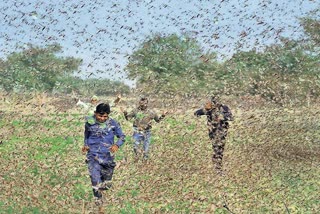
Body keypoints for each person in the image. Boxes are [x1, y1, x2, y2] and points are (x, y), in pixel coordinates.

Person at [82, 103, 126, 206]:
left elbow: (122, 136)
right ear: (95, 113)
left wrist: (117, 145)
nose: (102, 118)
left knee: (106, 184)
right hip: (93, 155)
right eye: (100, 116)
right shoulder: (89, 122)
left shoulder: (113, 123)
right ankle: (98, 200)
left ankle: (103, 188)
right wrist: (85, 145)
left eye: (105, 116)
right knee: (94, 178)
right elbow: (86, 135)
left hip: (107, 156)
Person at [194, 96, 234, 173]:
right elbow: (196, 113)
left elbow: (230, 118)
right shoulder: (209, 109)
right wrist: (205, 109)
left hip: (222, 132)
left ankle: (218, 167)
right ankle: (217, 168)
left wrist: (222, 117)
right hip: (213, 132)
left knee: (220, 149)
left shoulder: (224, 108)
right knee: (216, 149)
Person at [121, 96, 166, 160]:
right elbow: (128, 118)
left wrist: (163, 116)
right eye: (141, 104)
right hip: (137, 131)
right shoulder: (135, 110)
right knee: (135, 147)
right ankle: (137, 158)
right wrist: (125, 113)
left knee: (146, 149)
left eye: (144, 104)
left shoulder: (151, 112)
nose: (142, 105)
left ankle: (145, 162)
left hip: (147, 132)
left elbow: (158, 120)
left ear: (147, 104)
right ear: (139, 103)